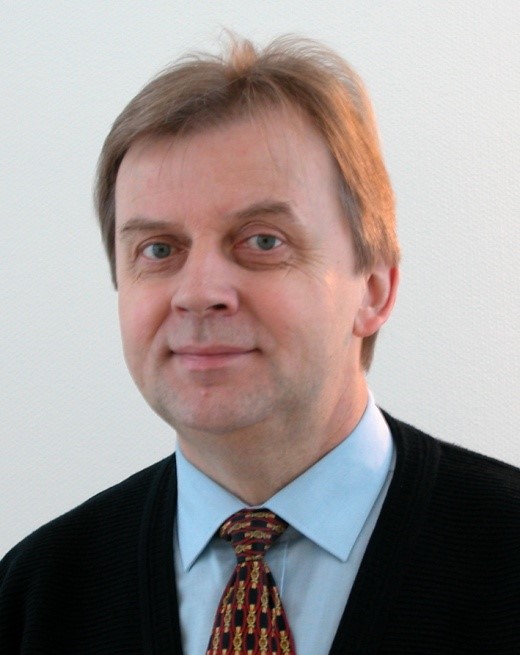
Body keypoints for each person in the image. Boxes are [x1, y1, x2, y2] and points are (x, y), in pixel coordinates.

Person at [1, 35, 519, 655]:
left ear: (373, 291)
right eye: (159, 249)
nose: (199, 293)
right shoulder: (33, 596)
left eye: (263, 241)